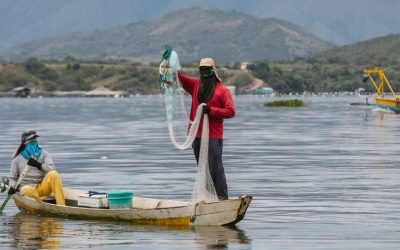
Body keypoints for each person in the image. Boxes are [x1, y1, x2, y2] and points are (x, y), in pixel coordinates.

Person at [177, 58, 235, 200]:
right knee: (202, 170)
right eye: (201, 70)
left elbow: (230, 111)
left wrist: (211, 110)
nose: (204, 73)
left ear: (213, 71)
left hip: (213, 136)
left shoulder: (222, 90)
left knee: (215, 168)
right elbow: (178, 77)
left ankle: (222, 198)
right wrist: (169, 63)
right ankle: (208, 198)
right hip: (196, 135)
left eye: (207, 70)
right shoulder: (196, 86)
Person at [8, 130, 65, 206]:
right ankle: (42, 206)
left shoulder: (44, 154)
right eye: (31, 140)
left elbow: (52, 169)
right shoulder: (17, 159)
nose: (34, 141)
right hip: (27, 188)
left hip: (42, 187)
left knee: (54, 174)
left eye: (35, 139)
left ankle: (61, 205)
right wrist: (12, 187)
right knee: (25, 190)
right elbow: (12, 178)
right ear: (25, 142)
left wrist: (39, 165)